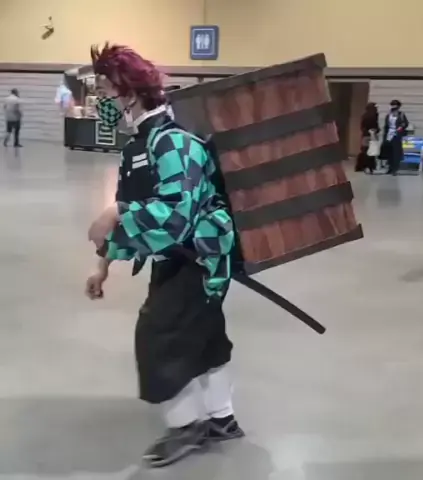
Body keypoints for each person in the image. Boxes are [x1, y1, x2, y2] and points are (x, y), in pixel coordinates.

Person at [85, 43, 244, 468]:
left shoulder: (174, 142)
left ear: (130, 92)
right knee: (205, 339)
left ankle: (188, 426)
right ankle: (222, 419)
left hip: (201, 260)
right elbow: (138, 210)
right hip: (175, 260)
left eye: (107, 90)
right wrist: (103, 264)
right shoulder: (138, 147)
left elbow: (175, 216)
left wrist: (115, 212)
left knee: (158, 336)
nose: (103, 100)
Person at [380, 99, 409, 175]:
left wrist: (401, 127)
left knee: (396, 152)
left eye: (395, 107)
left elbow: (405, 123)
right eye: (392, 106)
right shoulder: (388, 115)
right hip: (389, 135)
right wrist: (384, 136)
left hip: (397, 135)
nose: (393, 108)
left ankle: (395, 169)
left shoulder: (401, 114)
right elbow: (386, 126)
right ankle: (390, 167)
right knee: (389, 152)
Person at [355, 102, 380, 174]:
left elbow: (362, 127)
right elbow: (376, 126)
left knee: (365, 151)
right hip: (373, 135)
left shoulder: (364, 116)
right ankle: (371, 167)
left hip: (365, 135)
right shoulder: (374, 116)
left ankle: (363, 166)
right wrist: (375, 131)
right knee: (372, 151)